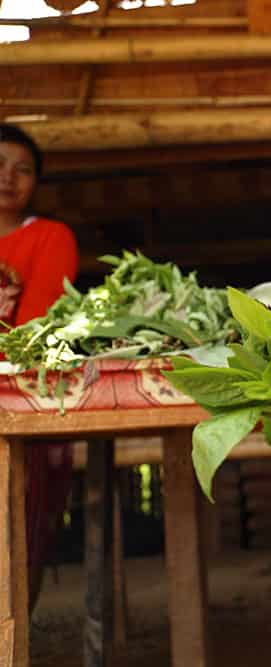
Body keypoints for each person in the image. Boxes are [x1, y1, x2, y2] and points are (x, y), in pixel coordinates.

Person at [0, 123, 80, 611]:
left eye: (22, 169)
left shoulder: (51, 237)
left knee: (14, 537)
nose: (8, 177)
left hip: (16, 402)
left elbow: (34, 330)